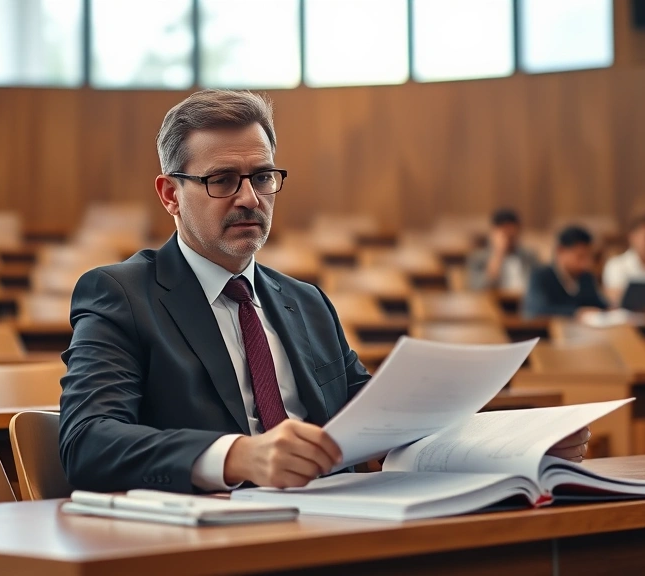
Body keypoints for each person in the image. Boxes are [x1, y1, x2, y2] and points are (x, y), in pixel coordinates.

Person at [59, 90, 590, 494]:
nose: (249, 198)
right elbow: (88, 440)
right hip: (206, 539)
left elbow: (385, 421)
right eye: (222, 180)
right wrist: (239, 456)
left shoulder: (306, 302)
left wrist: (521, 444)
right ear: (170, 194)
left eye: (262, 177)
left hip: (334, 518)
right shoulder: (120, 294)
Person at [523, 226, 609, 319]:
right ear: (560, 251)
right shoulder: (540, 276)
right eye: (580, 257)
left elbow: (600, 305)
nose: (585, 264)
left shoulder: (586, 277)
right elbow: (537, 310)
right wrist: (576, 312)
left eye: (588, 257)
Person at [466, 209, 541, 292]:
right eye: (504, 234)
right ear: (493, 233)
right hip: (494, 301)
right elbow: (477, 288)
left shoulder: (529, 256)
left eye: (512, 236)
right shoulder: (478, 258)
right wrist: (498, 254)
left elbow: (538, 285)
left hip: (524, 301)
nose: (508, 239)